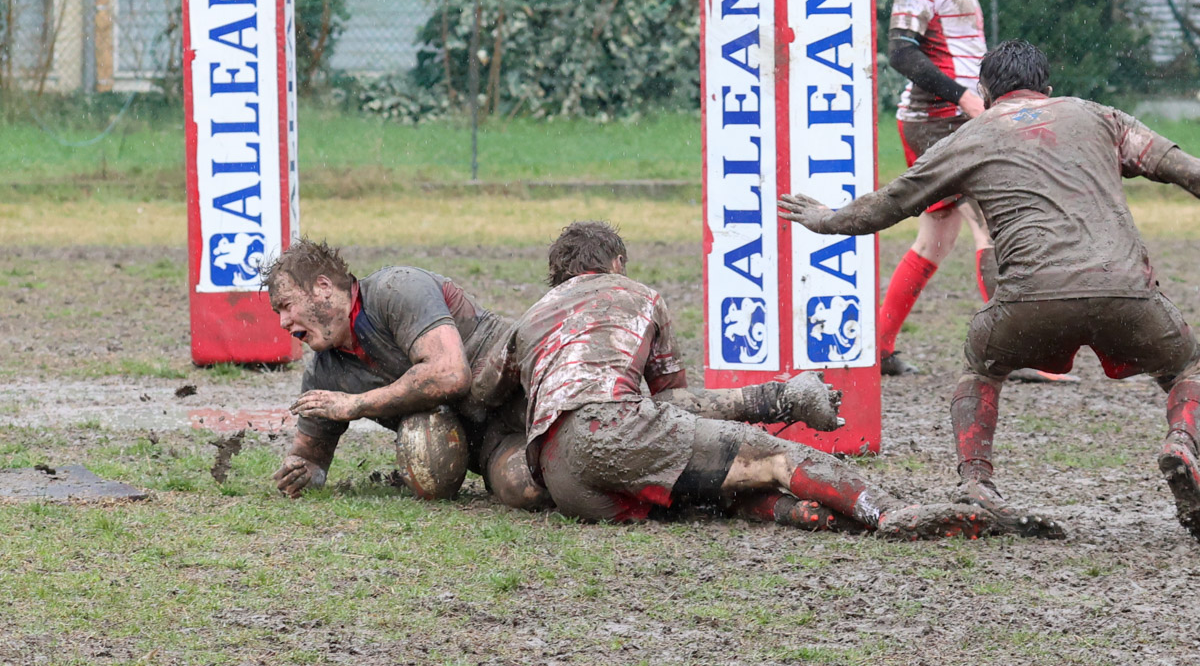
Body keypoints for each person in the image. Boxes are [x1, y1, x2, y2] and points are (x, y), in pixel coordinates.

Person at [779, 39, 1200, 541]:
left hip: (1028, 302)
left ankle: (977, 484)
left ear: (984, 90)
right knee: (1186, 368)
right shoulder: (1099, 117)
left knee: (982, 366)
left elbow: (890, 204)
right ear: (1048, 89)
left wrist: (824, 219)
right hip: (1126, 292)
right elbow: (1184, 170)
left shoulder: (969, 137)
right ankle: (1183, 440)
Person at [473, 221, 997, 540]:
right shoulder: (637, 295)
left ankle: (813, 516)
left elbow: (485, 390)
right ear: (616, 262)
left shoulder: (531, 317)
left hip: (562, 478)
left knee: (719, 489)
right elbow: (673, 402)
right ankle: (886, 513)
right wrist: (776, 399)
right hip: (613, 430)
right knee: (771, 457)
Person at [881, 0, 1070, 384]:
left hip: (953, 120)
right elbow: (900, 51)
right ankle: (1011, 353)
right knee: (991, 226)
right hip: (938, 122)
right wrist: (964, 97)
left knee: (935, 242)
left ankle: (878, 347)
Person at [259, 238, 548, 509]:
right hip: (492, 445)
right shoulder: (323, 373)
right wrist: (299, 472)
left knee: (572, 442)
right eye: (277, 313)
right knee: (527, 488)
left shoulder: (396, 289)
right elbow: (311, 459)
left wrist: (356, 404)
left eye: (286, 306)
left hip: (520, 389)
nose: (283, 322)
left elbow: (450, 374)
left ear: (322, 287)